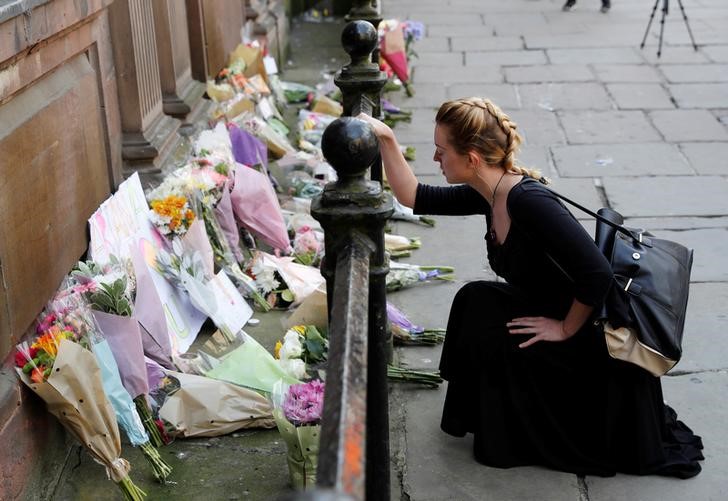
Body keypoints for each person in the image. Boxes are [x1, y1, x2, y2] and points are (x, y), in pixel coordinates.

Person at [357, 97, 704, 478]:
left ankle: (520, 428)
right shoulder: (488, 192)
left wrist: (564, 328)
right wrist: (386, 139)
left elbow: (597, 273)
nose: (436, 159)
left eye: (441, 151)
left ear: (472, 158)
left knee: (487, 312)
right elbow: (413, 196)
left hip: (590, 336)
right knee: (477, 301)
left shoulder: (528, 201)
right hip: (551, 303)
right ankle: (491, 415)